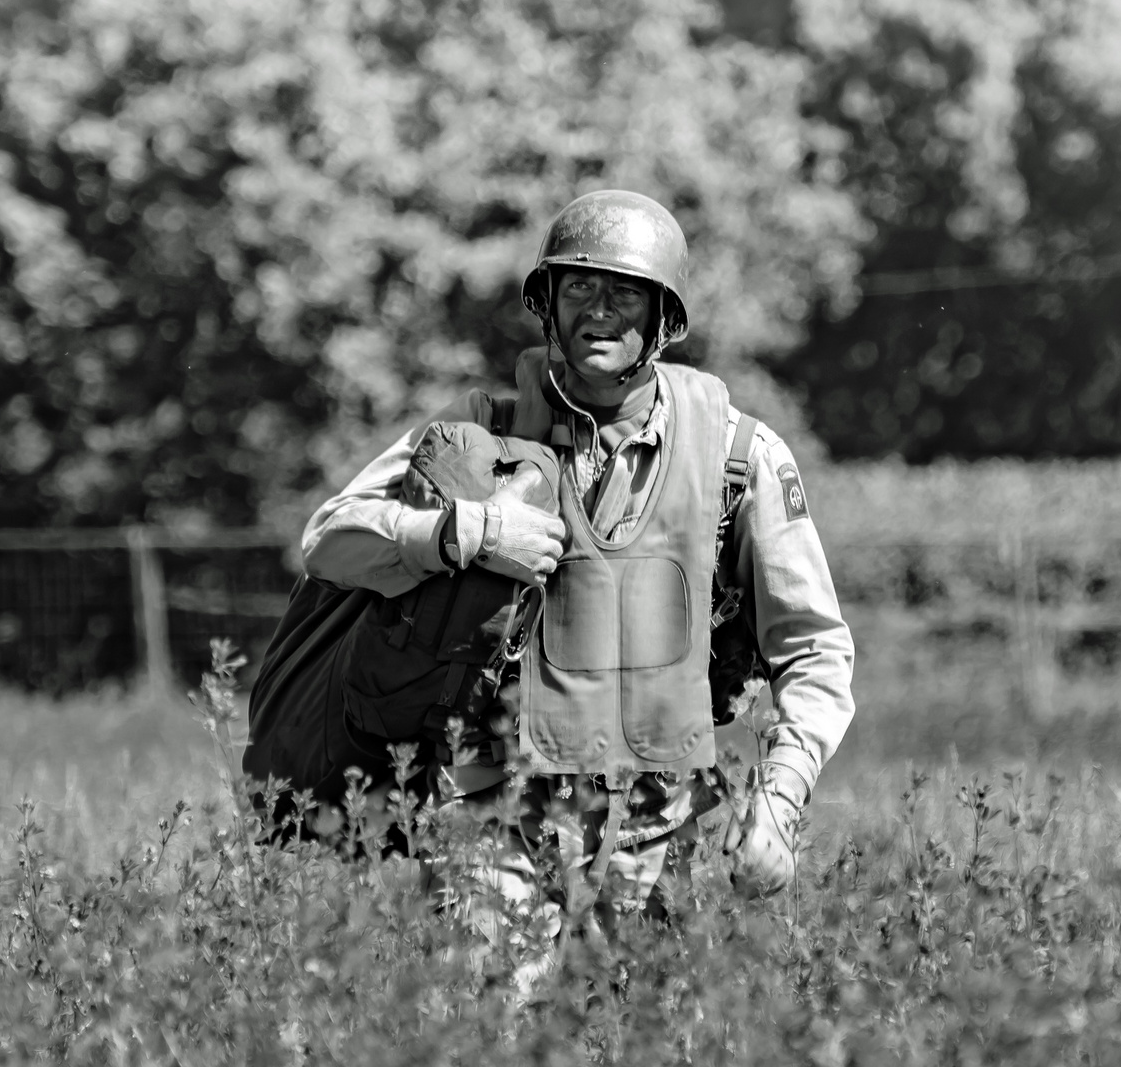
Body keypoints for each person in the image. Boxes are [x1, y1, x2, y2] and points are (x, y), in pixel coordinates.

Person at [296, 189, 855, 924]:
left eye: (626, 292)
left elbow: (815, 648)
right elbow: (327, 541)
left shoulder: (739, 457)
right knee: (485, 1032)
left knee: (653, 1038)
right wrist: (465, 531)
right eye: (580, 287)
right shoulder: (477, 431)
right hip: (489, 811)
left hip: (662, 827)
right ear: (548, 305)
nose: (599, 309)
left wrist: (779, 803)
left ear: (664, 319)